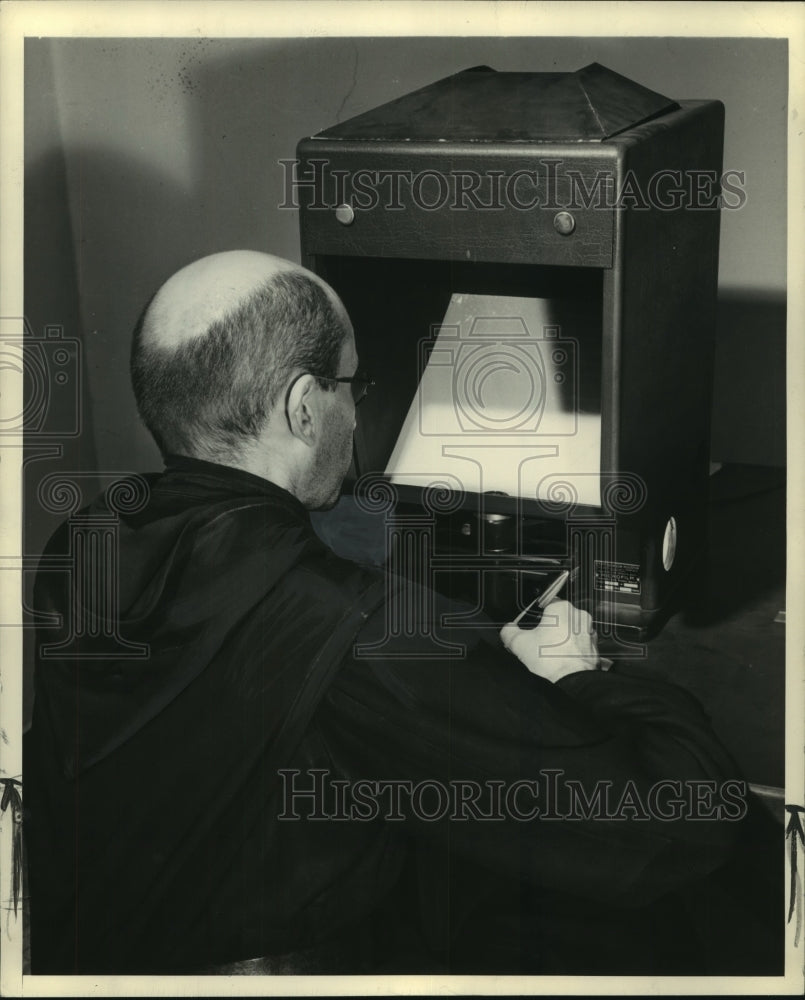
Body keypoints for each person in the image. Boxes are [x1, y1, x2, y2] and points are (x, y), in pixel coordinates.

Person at [25, 251, 781, 976]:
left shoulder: (84, 542)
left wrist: (469, 674)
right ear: (301, 407)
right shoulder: (362, 629)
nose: (355, 416)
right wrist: (577, 677)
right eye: (349, 386)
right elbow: (681, 818)